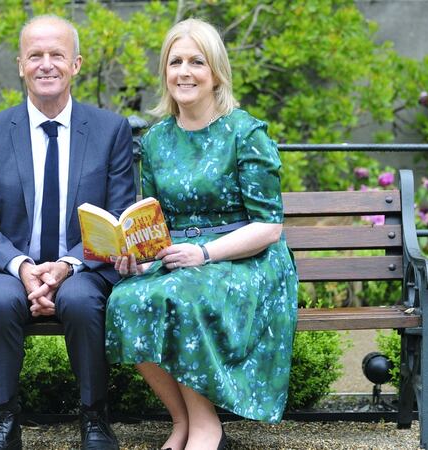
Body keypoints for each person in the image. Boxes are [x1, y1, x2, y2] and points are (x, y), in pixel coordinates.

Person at [105, 18, 298, 450]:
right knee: (123, 299)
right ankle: (183, 421)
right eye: (175, 62)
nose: (184, 72)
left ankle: (206, 429)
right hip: (180, 258)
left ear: (216, 73)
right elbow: (155, 223)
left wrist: (205, 253)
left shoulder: (245, 133)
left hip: (245, 260)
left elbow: (269, 226)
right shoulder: (155, 141)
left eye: (197, 61)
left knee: (183, 294)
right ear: (165, 73)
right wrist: (137, 254)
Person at [0, 15, 135, 450]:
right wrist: (23, 268)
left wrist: (65, 266)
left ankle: (95, 419)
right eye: (35, 55)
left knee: (79, 300)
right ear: (20, 64)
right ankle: (3, 420)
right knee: (0, 302)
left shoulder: (110, 130)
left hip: (84, 268)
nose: (46, 64)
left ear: (75, 64)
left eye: (56, 54)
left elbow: (117, 220)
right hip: (11, 270)